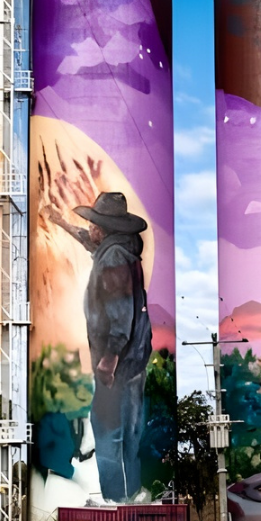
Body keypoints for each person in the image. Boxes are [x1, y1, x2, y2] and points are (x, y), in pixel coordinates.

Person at [45, 192, 152, 502]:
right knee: (130, 433)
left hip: (116, 364)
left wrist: (109, 358)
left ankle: (114, 499)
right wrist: (61, 222)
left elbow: (121, 312)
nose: (89, 227)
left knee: (106, 431)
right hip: (135, 360)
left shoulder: (114, 259)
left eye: (93, 223)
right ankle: (131, 494)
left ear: (103, 228)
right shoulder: (120, 249)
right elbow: (88, 242)